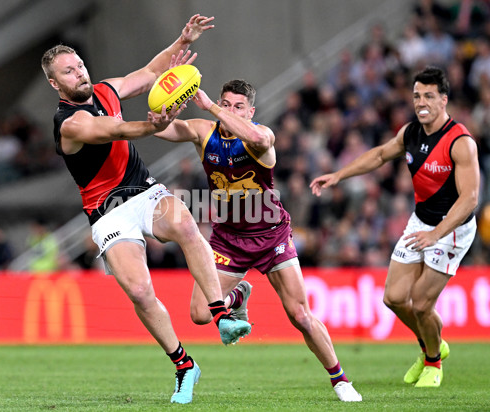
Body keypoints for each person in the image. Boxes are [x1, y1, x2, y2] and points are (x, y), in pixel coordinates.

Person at [40, 14, 251, 404]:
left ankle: (222, 314)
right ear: (56, 83)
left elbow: (152, 72)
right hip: (107, 210)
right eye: (68, 72)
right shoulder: (68, 124)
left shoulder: (104, 91)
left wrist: (182, 40)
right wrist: (154, 125)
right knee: (139, 290)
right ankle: (184, 365)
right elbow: (115, 131)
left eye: (80, 65)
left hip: (142, 191)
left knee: (186, 224)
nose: (79, 74)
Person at [154, 80, 362, 402]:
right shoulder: (203, 132)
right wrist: (162, 113)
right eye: (226, 103)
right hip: (228, 240)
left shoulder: (262, 137)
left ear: (251, 112)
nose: (229, 110)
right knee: (199, 313)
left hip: (270, 236)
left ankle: (340, 380)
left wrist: (211, 106)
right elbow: (161, 130)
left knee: (300, 316)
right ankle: (239, 295)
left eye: (238, 106)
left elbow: (255, 136)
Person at [310, 66, 479, 388]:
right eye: (417, 95)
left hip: (452, 228)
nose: (421, 102)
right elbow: (379, 155)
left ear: (444, 99)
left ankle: (432, 362)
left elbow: (470, 199)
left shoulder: (460, 142)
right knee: (394, 298)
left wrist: (436, 234)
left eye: (429, 95)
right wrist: (339, 175)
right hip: (422, 220)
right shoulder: (411, 133)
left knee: (422, 302)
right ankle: (434, 343)